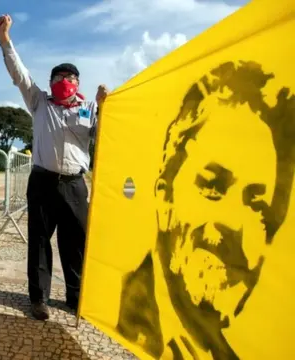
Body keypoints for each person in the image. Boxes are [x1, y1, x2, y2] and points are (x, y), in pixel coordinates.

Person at [116, 61, 295, 359]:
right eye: (212, 187)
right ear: (165, 196)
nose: (232, 222)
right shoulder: (123, 311)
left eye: (257, 205)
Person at [0, 13, 109, 320]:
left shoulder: (90, 110)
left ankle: (75, 297)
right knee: (39, 242)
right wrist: (5, 41)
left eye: (69, 78)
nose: (62, 83)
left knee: (75, 244)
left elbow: (109, 135)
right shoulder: (39, 102)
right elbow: (20, 74)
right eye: (57, 78)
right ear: (49, 83)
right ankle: (38, 299)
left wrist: (108, 105)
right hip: (43, 182)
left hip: (74, 184)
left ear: (78, 83)